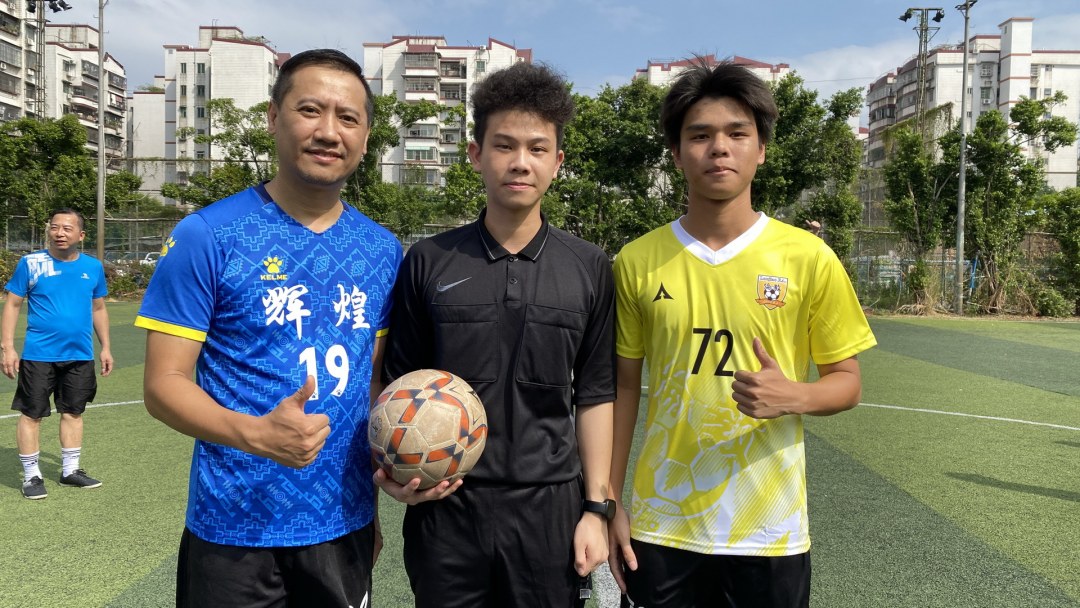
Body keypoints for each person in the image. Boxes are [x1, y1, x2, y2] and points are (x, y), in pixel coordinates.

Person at [135, 49, 400, 608]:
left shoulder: (383, 250)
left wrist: (375, 504)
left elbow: (370, 387)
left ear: (365, 137)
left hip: (343, 522)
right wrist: (257, 434)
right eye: (310, 110)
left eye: (348, 117)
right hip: (233, 527)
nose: (328, 131)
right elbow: (163, 385)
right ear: (274, 118)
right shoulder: (208, 235)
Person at [608, 59, 877, 607]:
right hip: (663, 525)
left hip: (769, 529)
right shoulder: (637, 261)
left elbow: (847, 382)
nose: (719, 149)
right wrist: (608, 501)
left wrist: (794, 395)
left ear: (761, 149)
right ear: (677, 152)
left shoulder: (808, 258)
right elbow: (623, 388)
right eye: (699, 135)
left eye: (737, 134)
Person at [379, 61, 616, 608]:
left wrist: (596, 509)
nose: (520, 162)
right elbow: (396, 387)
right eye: (504, 145)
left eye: (537, 148)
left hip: (550, 507)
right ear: (475, 154)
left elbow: (596, 393)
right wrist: (393, 472)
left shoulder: (589, 266)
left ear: (557, 162)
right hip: (447, 504)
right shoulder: (428, 261)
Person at [2, 208, 112, 500]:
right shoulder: (31, 263)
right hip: (39, 354)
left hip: (80, 355)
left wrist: (106, 347)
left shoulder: (93, 267)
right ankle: (31, 476)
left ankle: (70, 471)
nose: (59, 233)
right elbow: (12, 304)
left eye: (66, 228)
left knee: (74, 411)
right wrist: (8, 347)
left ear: (81, 235)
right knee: (32, 414)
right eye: (54, 227)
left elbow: (98, 308)